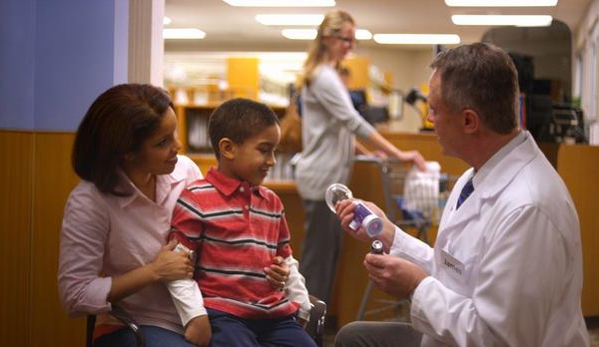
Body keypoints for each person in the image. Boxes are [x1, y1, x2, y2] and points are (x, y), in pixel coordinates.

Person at [334, 42, 590, 346]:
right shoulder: (478, 174)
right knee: (355, 337)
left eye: (434, 110)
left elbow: (499, 339)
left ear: (469, 121)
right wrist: (390, 235)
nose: (429, 120)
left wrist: (416, 287)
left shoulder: (528, 208)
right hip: (458, 332)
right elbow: (454, 271)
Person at [58, 83, 207, 346]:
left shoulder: (185, 171)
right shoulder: (90, 201)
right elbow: (75, 295)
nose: (178, 145)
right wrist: (154, 272)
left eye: (173, 133)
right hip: (137, 323)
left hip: (205, 312)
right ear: (126, 152)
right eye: (163, 142)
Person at [296, 9, 427, 305]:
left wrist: (371, 154)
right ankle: (304, 331)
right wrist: (399, 153)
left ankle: (310, 328)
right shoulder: (323, 77)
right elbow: (353, 122)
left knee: (328, 259)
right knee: (318, 263)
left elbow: (342, 132)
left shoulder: (328, 77)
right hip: (321, 181)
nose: (350, 47)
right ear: (328, 38)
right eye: (346, 39)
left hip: (328, 179)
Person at [167, 98, 316, 347]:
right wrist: (195, 316)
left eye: (274, 151)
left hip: (274, 314)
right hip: (224, 315)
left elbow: (286, 259)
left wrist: (302, 306)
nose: (272, 161)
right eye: (264, 150)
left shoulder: (272, 202)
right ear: (228, 148)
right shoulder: (195, 199)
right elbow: (178, 268)